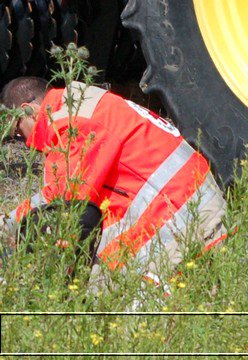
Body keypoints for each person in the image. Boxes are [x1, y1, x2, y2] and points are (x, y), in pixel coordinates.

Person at [1, 77, 226, 281]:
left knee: (109, 296)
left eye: (18, 133)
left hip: (181, 212)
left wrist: (6, 226)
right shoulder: (84, 103)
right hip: (190, 199)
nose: (26, 143)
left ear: (28, 111)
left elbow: (61, 200)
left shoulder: (71, 123)